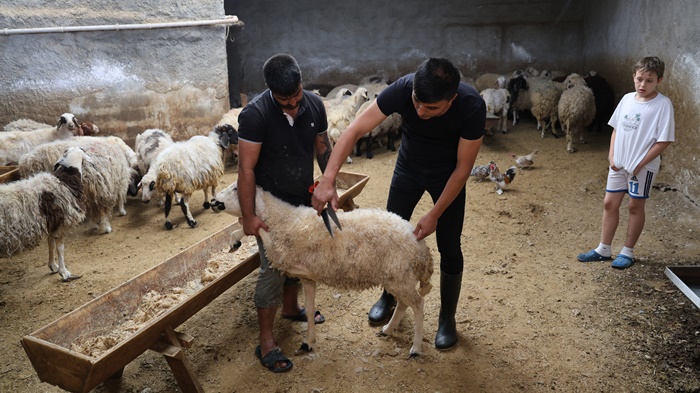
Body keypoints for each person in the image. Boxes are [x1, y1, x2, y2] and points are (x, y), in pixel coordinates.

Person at [311, 57, 485, 350]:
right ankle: (388, 296)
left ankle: (447, 317)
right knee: (388, 237)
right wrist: (328, 178)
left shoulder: (471, 105)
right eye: (417, 102)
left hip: (447, 174)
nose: (419, 111)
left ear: (451, 99)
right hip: (409, 168)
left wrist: (434, 214)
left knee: (450, 245)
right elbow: (354, 130)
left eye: (431, 108)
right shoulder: (403, 88)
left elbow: (463, 169)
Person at [237, 53, 331, 372]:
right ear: (270, 91)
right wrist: (249, 216)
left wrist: (328, 183)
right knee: (273, 267)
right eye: (284, 100)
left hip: (301, 200)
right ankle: (266, 341)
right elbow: (246, 168)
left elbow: (322, 148)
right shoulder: (255, 115)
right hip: (270, 205)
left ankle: (291, 308)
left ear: (301, 83)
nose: (292, 105)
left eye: (296, 97)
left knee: (298, 256)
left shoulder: (316, 105)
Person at [577, 56, 675, 269]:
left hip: (643, 166)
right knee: (609, 203)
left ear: (659, 80)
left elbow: (664, 140)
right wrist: (612, 156)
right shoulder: (627, 99)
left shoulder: (662, 104)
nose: (643, 85)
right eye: (639, 79)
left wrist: (641, 163)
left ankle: (627, 252)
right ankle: (603, 248)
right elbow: (616, 129)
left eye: (649, 80)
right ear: (634, 77)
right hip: (619, 163)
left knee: (634, 205)